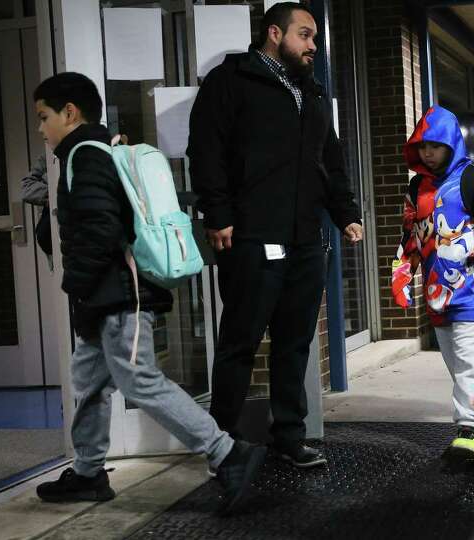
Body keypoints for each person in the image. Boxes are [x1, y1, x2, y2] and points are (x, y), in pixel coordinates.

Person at [31, 72, 265, 513]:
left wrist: (76, 284)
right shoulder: (89, 153)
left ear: (69, 112)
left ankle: (227, 452)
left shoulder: (86, 155)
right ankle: (87, 473)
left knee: (138, 379)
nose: (41, 128)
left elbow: (99, 230)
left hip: (118, 295)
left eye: (44, 117)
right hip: (100, 297)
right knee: (89, 380)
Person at [187, 2, 362, 469]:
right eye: (304, 35)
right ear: (273, 34)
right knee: (240, 342)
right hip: (249, 236)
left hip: (306, 237)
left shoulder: (313, 93)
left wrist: (344, 212)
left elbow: (331, 160)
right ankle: (222, 443)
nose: (312, 46)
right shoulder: (231, 82)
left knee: (295, 342)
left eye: (315, 39)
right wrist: (217, 213)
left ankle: (289, 436)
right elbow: (205, 150)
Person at [391, 106, 474, 463]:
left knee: (470, 358)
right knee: (455, 363)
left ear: (452, 143)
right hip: (436, 293)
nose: (428, 152)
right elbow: (410, 235)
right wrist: (401, 274)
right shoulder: (417, 187)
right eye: (423, 145)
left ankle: (469, 429)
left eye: (436, 145)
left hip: (473, 292)